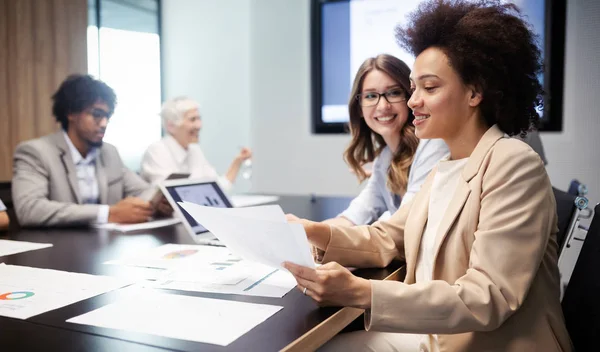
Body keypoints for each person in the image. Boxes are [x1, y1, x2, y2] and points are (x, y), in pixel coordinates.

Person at [283, 1, 570, 351]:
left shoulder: (513, 163)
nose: (413, 102)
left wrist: (362, 292)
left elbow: (487, 297)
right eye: (413, 87)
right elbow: (388, 238)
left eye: (429, 88)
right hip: (438, 336)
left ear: (475, 92)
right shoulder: (444, 167)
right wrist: (314, 231)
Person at [12, 74, 161, 227]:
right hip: (58, 245)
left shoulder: (109, 152)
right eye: (97, 114)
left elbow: (145, 191)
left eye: (107, 116)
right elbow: (29, 209)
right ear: (71, 113)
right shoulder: (35, 152)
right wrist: (108, 213)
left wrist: (156, 203)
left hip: (106, 243)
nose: (104, 123)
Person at [321, 54, 449, 227]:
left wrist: (319, 234)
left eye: (394, 93)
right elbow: (353, 216)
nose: (383, 106)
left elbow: (401, 226)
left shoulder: (433, 144)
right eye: (371, 96)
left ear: (410, 97)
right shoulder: (385, 159)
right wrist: (306, 230)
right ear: (359, 108)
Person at [140, 96, 252, 192]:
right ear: (171, 126)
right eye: (192, 120)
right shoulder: (157, 151)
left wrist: (237, 161)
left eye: (199, 119)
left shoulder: (194, 150)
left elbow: (218, 188)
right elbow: (168, 199)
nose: (199, 125)